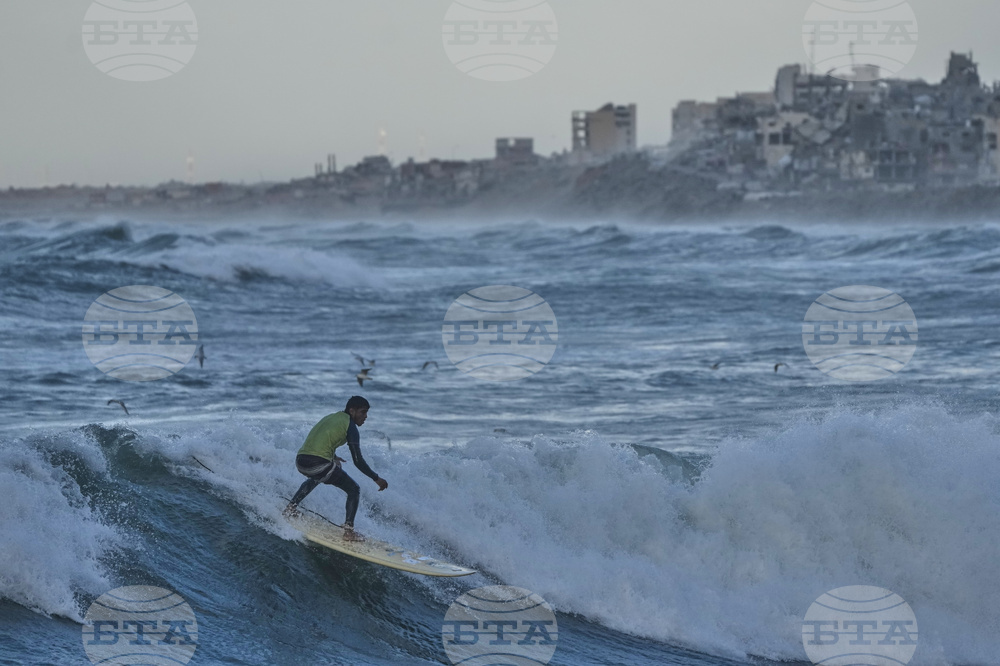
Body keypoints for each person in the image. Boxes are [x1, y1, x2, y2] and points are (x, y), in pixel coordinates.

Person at [284, 396, 388, 535]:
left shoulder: (331, 417)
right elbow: (358, 460)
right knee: (354, 489)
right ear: (352, 411)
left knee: (321, 475)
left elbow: (320, 440)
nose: (366, 416)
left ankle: (290, 507)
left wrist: (333, 457)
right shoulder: (351, 427)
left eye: (366, 413)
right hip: (317, 464)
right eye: (363, 412)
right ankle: (348, 530)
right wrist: (376, 478)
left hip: (301, 461)